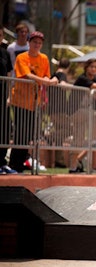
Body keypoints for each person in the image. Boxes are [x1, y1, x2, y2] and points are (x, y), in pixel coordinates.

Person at [9, 31, 58, 173]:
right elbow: (27, 75)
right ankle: (14, 164)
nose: (37, 45)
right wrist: (48, 81)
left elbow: (47, 76)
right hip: (20, 100)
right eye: (34, 42)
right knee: (20, 133)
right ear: (29, 43)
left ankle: (21, 162)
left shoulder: (44, 58)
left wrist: (51, 81)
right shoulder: (22, 57)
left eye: (39, 43)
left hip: (34, 103)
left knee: (29, 134)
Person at [68, 58, 96, 173]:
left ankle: (73, 166)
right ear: (86, 68)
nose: (93, 69)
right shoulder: (82, 78)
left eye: (95, 67)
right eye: (91, 67)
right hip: (76, 111)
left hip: (84, 112)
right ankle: (92, 139)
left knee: (78, 139)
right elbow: (94, 86)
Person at [0, 25, 17, 174]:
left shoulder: (5, 53)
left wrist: (10, 95)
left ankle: (2, 162)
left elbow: (10, 73)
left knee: (6, 129)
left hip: (3, 97)